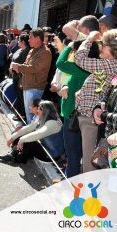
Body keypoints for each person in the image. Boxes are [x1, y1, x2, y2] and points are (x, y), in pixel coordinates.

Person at [75, 30, 117, 173]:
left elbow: (79, 58)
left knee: (89, 164)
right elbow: (102, 88)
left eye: (103, 44)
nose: (100, 46)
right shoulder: (108, 65)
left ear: (113, 49)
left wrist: (89, 39)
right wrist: (83, 92)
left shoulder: (111, 64)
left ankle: (89, 194)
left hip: (91, 120)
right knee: (87, 161)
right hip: (89, 117)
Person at [56, 40, 100, 178]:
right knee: (78, 153)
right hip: (79, 114)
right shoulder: (91, 67)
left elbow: (60, 63)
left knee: (73, 152)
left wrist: (69, 46)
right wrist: (65, 86)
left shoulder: (83, 67)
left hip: (73, 115)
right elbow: (73, 79)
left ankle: (71, 183)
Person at [11, 28, 52, 123]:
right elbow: (27, 65)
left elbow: (34, 68)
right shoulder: (32, 50)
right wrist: (16, 68)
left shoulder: (45, 52)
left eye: (30, 37)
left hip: (35, 87)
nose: (28, 40)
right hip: (27, 85)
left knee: (33, 115)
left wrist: (19, 67)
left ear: (38, 38)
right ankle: (30, 134)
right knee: (29, 113)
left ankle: (33, 135)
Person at [9, 33, 31, 121]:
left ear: (22, 42)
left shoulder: (27, 51)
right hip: (15, 76)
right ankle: (19, 113)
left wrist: (14, 68)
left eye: (19, 40)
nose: (18, 42)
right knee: (18, 95)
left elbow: (22, 65)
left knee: (21, 96)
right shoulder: (20, 50)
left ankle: (22, 114)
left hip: (20, 77)